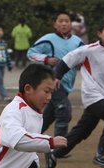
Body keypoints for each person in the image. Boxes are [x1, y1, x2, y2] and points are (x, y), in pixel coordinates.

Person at [45, 17, 104, 168]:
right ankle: (101, 154)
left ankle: (54, 154)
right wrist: (57, 77)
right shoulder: (89, 50)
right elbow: (67, 61)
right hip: (91, 95)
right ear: (99, 33)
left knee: (81, 132)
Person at [27, 11, 83, 139]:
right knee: (63, 110)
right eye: (60, 21)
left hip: (68, 82)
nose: (64, 24)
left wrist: (81, 63)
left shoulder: (77, 42)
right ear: (55, 24)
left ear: (71, 24)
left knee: (49, 115)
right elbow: (31, 53)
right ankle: (59, 147)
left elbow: (85, 57)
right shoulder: (48, 39)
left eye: (66, 21)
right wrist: (46, 59)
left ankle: (29, 137)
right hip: (52, 81)